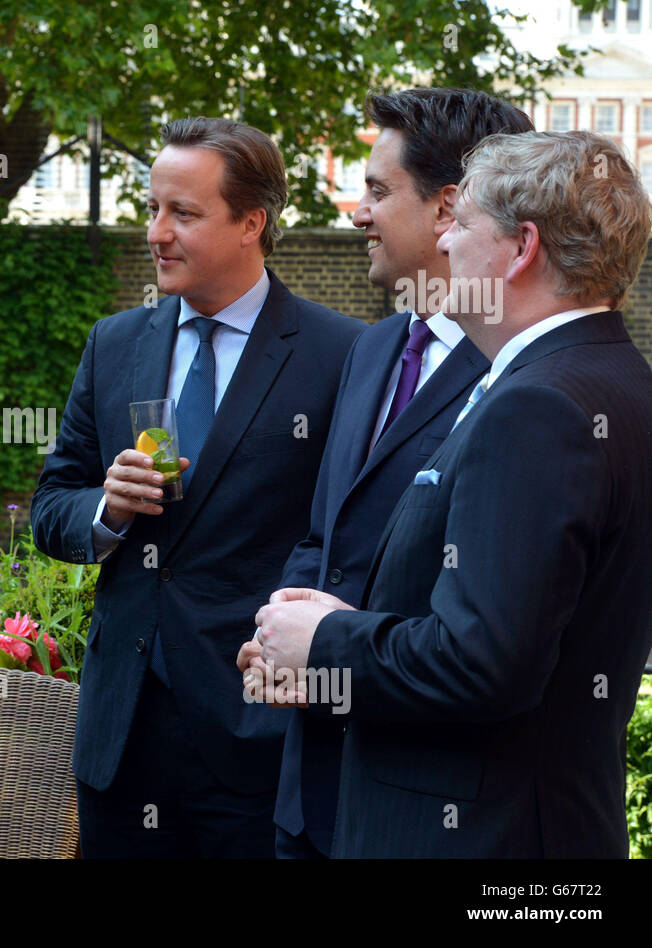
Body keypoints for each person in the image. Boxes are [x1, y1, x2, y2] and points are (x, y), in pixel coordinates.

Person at [245, 130, 652, 858]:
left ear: (520, 247)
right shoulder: (618, 382)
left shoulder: (540, 406)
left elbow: (482, 665)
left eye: (461, 223)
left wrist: (327, 642)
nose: (446, 242)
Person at [29, 117, 363, 858]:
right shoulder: (114, 343)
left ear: (252, 222)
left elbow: (350, 536)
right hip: (121, 738)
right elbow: (52, 509)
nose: (156, 232)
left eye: (183, 213)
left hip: (257, 736)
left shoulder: (341, 354)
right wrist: (106, 510)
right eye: (152, 208)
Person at [271, 88, 533, 859]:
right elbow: (326, 537)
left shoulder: (521, 380)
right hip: (310, 798)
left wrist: (335, 646)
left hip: (424, 813)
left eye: (378, 191)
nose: (357, 211)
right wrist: (279, 629)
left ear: (450, 209)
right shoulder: (372, 350)